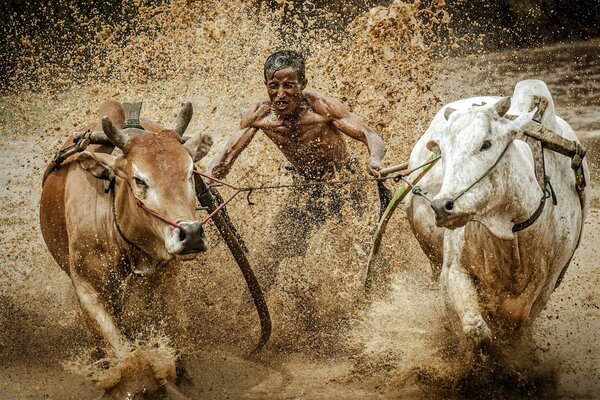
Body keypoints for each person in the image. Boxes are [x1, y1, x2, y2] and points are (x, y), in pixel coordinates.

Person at [206, 50, 386, 286]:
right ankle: (250, 315)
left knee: (361, 251)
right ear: (266, 84)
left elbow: (370, 135)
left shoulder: (322, 108)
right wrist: (208, 178)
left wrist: (374, 159)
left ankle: (375, 297)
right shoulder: (259, 115)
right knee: (272, 256)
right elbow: (226, 156)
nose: (280, 95)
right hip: (306, 190)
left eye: (289, 86)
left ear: (303, 84)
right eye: (273, 86)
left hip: (344, 186)